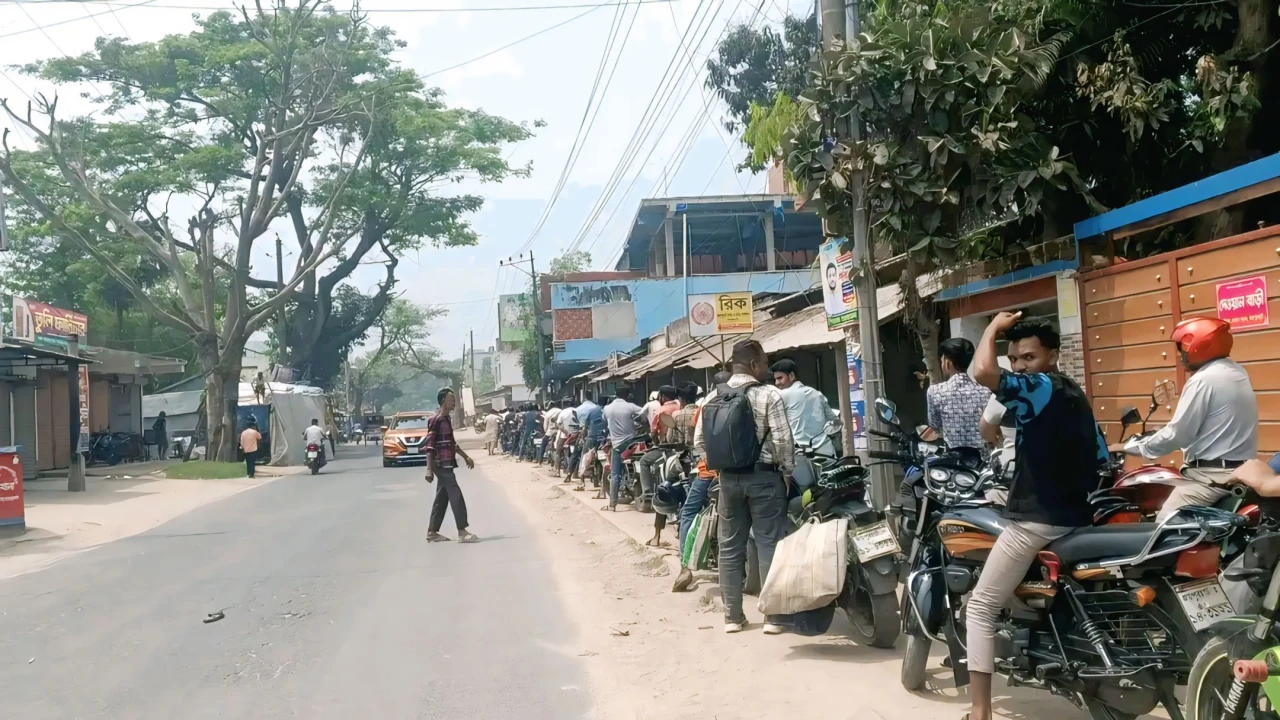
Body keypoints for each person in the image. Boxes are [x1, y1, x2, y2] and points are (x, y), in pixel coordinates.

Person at [966, 312, 1107, 720]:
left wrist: (991, 326)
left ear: (1053, 356)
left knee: (980, 606)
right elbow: (1099, 454)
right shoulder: (1074, 392)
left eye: (1028, 356)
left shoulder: (1041, 387)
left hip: (1039, 517)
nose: (1020, 366)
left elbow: (982, 372)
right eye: (1015, 359)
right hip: (1077, 511)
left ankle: (979, 712)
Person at [1110, 317, 1259, 521]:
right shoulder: (1237, 372)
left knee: (1162, 528)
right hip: (1237, 471)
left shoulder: (1203, 380)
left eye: (1183, 347)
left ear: (1201, 345)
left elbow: (1178, 435)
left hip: (1210, 478)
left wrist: (1130, 447)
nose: (1182, 354)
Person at [694, 340, 795, 634]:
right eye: (764, 363)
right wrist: (786, 469)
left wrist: (720, 468)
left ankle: (732, 617)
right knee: (768, 544)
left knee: (729, 548)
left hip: (728, 481)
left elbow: (699, 442)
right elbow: (783, 439)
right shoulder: (768, 395)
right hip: (764, 479)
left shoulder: (713, 397)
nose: (766, 368)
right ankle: (773, 618)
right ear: (752, 365)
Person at [424, 387, 477, 543]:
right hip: (441, 465)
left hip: (447, 463)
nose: (454, 402)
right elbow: (430, 446)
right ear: (442, 401)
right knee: (456, 495)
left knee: (442, 497)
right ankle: (462, 531)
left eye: (454, 399)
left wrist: (465, 456)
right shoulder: (437, 420)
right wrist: (429, 469)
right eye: (451, 400)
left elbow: (451, 444)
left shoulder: (447, 419)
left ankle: (432, 532)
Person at [925, 337, 992, 450]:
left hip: (953, 459)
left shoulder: (935, 392)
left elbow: (935, 427)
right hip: (981, 461)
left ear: (947, 363)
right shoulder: (985, 392)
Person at [770, 358, 839, 458]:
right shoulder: (817, 394)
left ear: (792, 376)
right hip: (826, 451)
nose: (776, 383)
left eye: (780, 378)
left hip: (800, 453)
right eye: (775, 379)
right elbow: (835, 422)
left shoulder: (781, 395)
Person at [636, 386, 680, 518]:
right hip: (682, 448)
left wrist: (655, 441)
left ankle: (647, 491)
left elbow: (653, 432)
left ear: (663, 397)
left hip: (666, 448)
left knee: (644, 461)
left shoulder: (660, 410)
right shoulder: (680, 407)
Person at [602, 387, 645, 511]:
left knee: (615, 474)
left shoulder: (607, 408)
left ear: (616, 395)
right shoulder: (631, 406)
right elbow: (644, 414)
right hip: (631, 443)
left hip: (616, 445)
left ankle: (612, 504)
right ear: (627, 396)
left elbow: (604, 419)